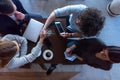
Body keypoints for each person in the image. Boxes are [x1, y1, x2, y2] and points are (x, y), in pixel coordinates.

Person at [43, 4, 105, 75]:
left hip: (74, 32)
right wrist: (44, 28)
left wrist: (70, 35)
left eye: (80, 25)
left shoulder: (90, 31)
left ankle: (53, 66)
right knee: (53, 28)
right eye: (79, 18)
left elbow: (81, 35)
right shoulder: (79, 9)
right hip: (68, 21)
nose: (77, 22)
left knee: (61, 52)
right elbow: (55, 13)